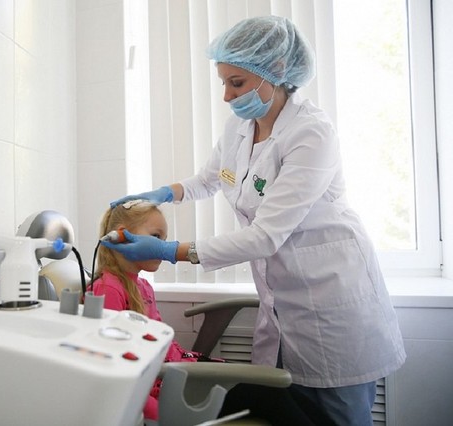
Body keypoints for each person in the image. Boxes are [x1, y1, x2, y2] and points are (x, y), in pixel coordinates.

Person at [102, 15, 406, 426]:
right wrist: (164, 193)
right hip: (283, 302)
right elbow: (210, 179)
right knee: (291, 413)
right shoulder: (239, 128)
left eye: (237, 82)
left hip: (334, 301)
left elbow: (265, 236)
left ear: (275, 71)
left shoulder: (311, 133)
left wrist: (170, 251)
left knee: (341, 417)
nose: (226, 96)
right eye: (223, 82)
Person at [89, 200, 202, 421]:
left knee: (267, 391)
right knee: (263, 394)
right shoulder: (108, 289)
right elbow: (117, 370)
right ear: (122, 236)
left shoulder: (144, 286)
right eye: (156, 237)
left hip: (180, 369)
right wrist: (164, 416)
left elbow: (161, 345)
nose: (162, 247)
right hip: (165, 386)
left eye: (164, 240)